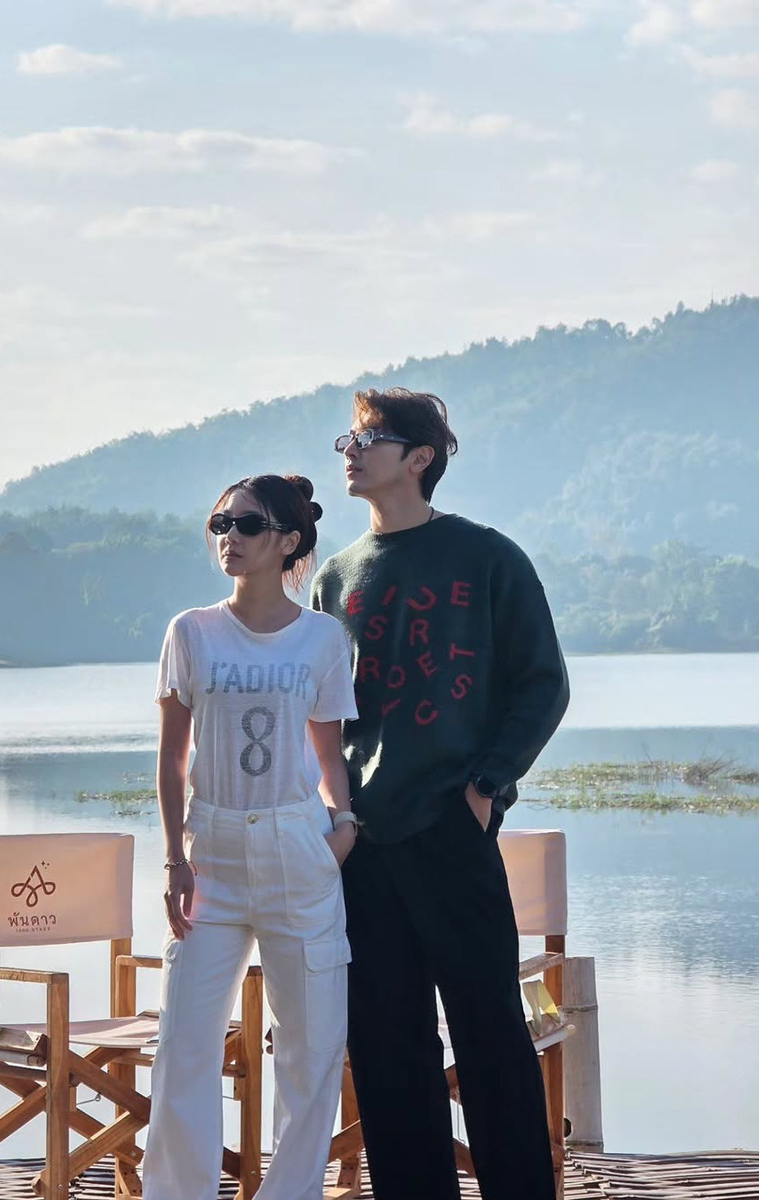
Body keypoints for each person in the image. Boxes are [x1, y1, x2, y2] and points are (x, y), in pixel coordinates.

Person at [311, 388, 570, 1200]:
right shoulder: (335, 577)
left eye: (368, 438)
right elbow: (320, 719)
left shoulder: (487, 557)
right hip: (365, 842)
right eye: (347, 440)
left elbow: (543, 684)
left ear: (420, 457)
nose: (350, 452)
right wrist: (336, 813)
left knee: (490, 1033)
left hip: (453, 828)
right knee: (387, 1046)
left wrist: (488, 785)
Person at [143, 473, 358, 1200]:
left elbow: (329, 753)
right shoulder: (191, 632)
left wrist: (343, 827)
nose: (228, 538)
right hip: (213, 854)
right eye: (220, 525)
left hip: (300, 850)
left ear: (288, 542)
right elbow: (173, 758)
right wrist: (173, 859)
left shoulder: (323, 638)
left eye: (247, 525)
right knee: (184, 1044)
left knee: (311, 1049)